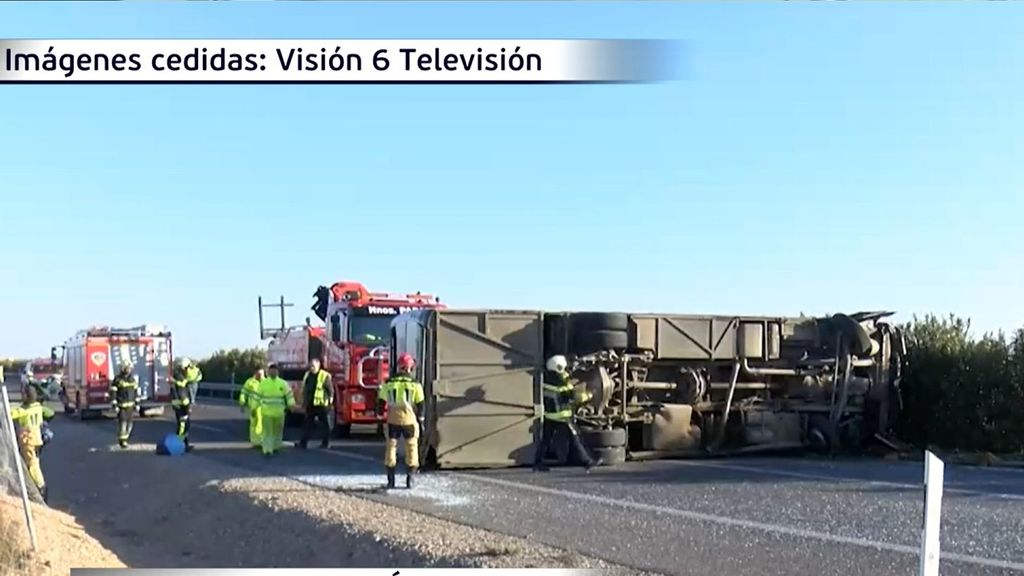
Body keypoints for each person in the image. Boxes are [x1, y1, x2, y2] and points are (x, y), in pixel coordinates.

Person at [533, 355, 599, 473]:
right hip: (562, 417)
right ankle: (587, 461)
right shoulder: (561, 383)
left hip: (550, 416)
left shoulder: (547, 379)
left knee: (546, 440)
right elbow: (572, 397)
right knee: (575, 438)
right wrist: (589, 395)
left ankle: (538, 463)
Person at [376, 353, 425, 489]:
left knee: (391, 447)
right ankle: (410, 479)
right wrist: (421, 419)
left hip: (393, 420)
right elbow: (421, 403)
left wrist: (380, 416)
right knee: (412, 447)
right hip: (409, 420)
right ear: (410, 368)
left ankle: (391, 480)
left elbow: (381, 401)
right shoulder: (415, 384)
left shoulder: (389, 383)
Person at [9, 386, 55, 503]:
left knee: (32, 465)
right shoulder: (38, 408)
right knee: (35, 462)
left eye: (23, 394)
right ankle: (37, 485)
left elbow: (11, 414)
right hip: (38, 440)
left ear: (27, 396)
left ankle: (41, 488)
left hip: (27, 441)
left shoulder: (23, 411)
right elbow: (50, 413)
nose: (21, 396)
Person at [257, 363, 295, 457]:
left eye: (275, 370)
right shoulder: (263, 384)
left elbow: (289, 395)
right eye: (271, 370)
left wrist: (291, 405)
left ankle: (276, 447)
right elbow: (257, 396)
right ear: (268, 372)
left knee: (278, 431)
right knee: (267, 432)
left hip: (279, 413)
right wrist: (254, 407)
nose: (273, 372)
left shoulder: (282, 383)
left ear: (277, 372)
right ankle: (267, 450)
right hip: (267, 413)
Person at [296, 358, 333, 450]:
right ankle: (303, 443)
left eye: (313, 366)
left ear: (318, 366)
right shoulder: (308, 375)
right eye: (311, 365)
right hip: (310, 404)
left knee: (325, 425)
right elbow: (305, 389)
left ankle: (326, 443)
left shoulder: (324, 376)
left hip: (321, 405)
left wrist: (329, 403)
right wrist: (303, 402)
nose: (311, 367)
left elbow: (330, 391)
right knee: (307, 424)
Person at [109, 362, 139, 448]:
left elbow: (135, 392)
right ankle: (122, 441)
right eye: (127, 368)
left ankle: (125, 438)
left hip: (130, 406)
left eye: (129, 368)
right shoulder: (117, 380)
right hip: (121, 406)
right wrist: (114, 404)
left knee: (130, 424)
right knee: (123, 423)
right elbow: (113, 392)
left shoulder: (132, 379)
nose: (128, 370)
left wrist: (137, 403)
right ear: (123, 368)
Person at [170, 365, 195, 452]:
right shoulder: (181, 380)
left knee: (183, 426)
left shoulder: (177, 379)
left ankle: (183, 444)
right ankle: (179, 445)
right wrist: (188, 407)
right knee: (183, 426)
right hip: (182, 407)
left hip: (178, 406)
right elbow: (183, 395)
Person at [238, 368, 265, 449]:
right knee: (254, 424)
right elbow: (244, 393)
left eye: (262, 374)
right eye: (259, 374)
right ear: (255, 373)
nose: (260, 375)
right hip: (254, 407)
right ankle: (256, 442)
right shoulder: (250, 382)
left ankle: (262, 441)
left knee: (264, 424)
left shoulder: (266, 382)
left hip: (264, 407)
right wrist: (242, 403)